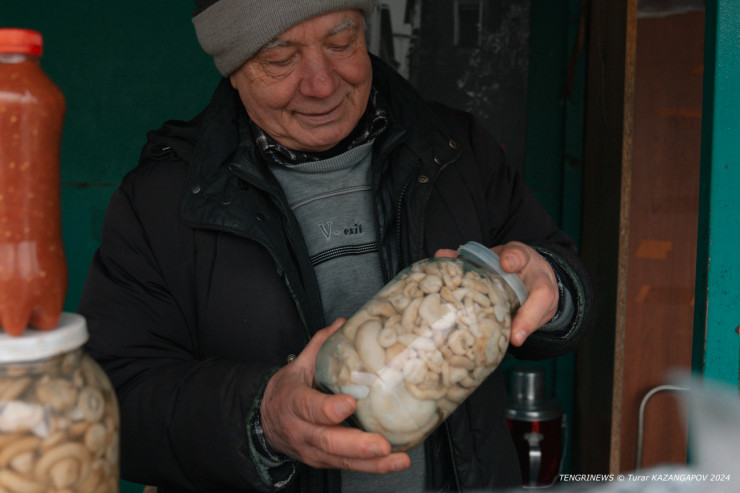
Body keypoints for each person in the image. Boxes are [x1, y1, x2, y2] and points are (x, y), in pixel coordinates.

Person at [79, 1, 596, 491]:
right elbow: (114, 403)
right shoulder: (165, 200)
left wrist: (548, 283)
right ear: (233, 67)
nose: (322, 84)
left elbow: (564, 282)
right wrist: (262, 419)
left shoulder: (454, 150)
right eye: (280, 59)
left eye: (342, 42)